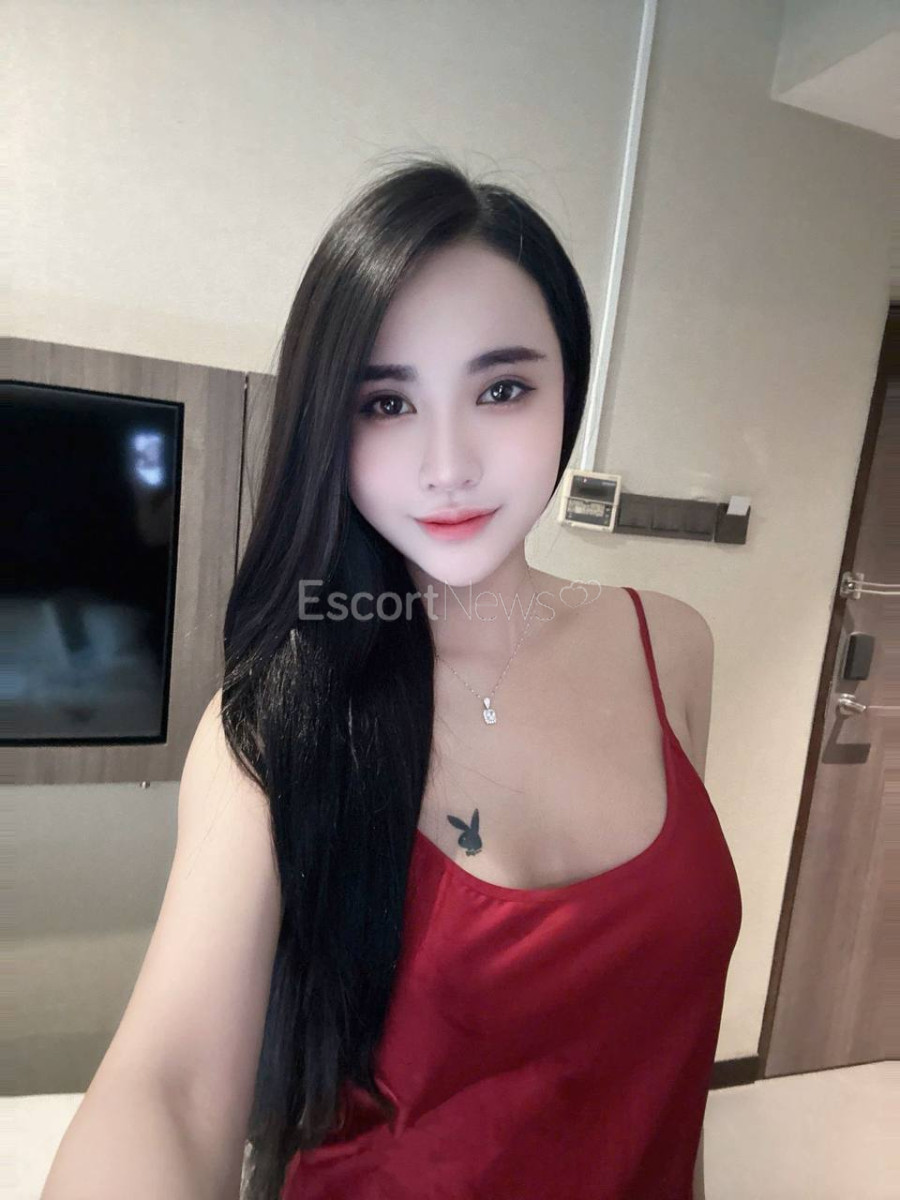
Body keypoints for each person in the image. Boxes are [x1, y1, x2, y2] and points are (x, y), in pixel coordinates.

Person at [41, 154, 741, 1200]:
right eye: (386, 403)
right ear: (331, 422)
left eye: (502, 389)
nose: (447, 465)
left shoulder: (672, 647)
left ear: (569, 390)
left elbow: (662, 1046)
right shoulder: (276, 723)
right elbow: (171, 1090)